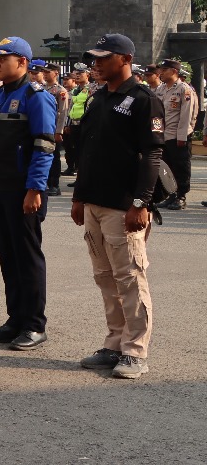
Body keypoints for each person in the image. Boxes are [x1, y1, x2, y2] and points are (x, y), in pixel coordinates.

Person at [72, 33, 162, 379]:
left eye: (103, 58)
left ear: (124, 59)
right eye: (94, 58)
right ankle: (114, 344)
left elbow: (151, 154)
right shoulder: (98, 99)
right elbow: (87, 152)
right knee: (105, 278)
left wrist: (141, 202)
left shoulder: (142, 99)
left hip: (123, 205)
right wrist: (80, 197)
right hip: (94, 201)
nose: (96, 64)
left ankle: (135, 352)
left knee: (130, 278)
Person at [0, 36, 57, 352]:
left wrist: (35, 187)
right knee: (8, 257)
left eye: (2, 59)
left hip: (24, 191)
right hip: (0, 188)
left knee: (27, 257)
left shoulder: (36, 97)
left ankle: (34, 324)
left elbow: (44, 145)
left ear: (22, 62)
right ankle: (15, 319)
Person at [155, 59, 196, 210]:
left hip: (177, 136)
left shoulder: (184, 89)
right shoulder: (162, 89)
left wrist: (182, 137)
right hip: (163, 135)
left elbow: (187, 115)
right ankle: (171, 194)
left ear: (174, 71)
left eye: (164, 70)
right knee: (168, 168)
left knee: (181, 167)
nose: (161, 73)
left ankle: (181, 196)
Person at [42, 62, 69, 197]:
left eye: (48, 72)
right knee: (42, 155)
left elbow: (63, 113)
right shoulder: (41, 88)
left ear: (56, 73)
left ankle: (54, 185)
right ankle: (45, 182)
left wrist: (59, 131)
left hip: (53, 128)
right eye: (44, 72)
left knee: (54, 158)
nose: (45, 74)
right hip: (42, 127)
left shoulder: (60, 91)